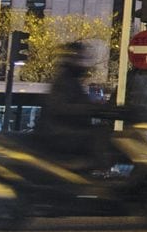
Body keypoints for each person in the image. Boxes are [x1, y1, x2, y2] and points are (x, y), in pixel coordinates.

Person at [33, 41, 113, 170]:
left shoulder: (71, 81)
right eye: (80, 59)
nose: (84, 64)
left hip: (63, 131)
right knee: (99, 133)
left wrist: (101, 108)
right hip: (59, 133)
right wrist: (90, 108)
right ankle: (91, 167)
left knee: (100, 130)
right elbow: (61, 107)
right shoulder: (64, 81)